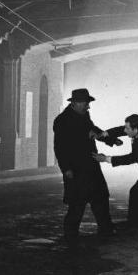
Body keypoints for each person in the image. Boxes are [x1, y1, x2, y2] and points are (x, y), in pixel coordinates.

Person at [53, 88, 122, 245]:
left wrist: (111, 139)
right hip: (75, 168)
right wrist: (66, 169)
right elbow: (60, 147)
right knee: (77, 203)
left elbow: (94, 131)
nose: (88, 107)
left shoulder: (83, 115)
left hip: (90, 164)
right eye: (86, 104)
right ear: (76, 103)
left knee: (100, 197)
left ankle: (106, 229)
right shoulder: (62, 120)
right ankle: (70, 236)